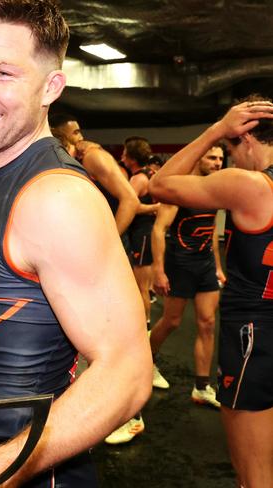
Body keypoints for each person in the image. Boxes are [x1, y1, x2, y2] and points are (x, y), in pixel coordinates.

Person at [0, 1, 152, 486]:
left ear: (51, 87)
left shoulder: (56, 198)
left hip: (26, 470)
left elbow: (128, 373)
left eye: (2, 73)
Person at [149, 95, 273, 488]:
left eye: (231, 151)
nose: (231, 160)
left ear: (246, 139)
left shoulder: (252, 185)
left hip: (253, 338)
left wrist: (217, 129)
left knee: (253, 476)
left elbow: (160, 184)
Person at [149, 145, 225, 404]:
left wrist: (216, 265)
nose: (217, 163)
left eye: (221, 159)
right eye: (212, 157)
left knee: (208, 323)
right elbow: (159, 230)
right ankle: (146, 362)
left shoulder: (215, 190)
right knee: (172, 321)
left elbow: (211, 228)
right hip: (179, 264)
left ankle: (202, 388)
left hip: (204, 265)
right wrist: (158, 271)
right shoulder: (180, 190)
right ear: (200, 158)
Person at [50, 114, 139, 236]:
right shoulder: (56, 162)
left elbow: (130, 200)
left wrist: (111, 241)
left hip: (107, 238)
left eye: (78, 132)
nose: (81, 137)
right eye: (76, 133)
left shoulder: (92, 156)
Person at [122, 136, 160, 326]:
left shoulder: (139, 178)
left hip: (141, 234)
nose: (122, 157)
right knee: (141, 286)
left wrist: (155, 208)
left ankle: (144, 326)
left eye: (124, 153)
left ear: (132, 158)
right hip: (145, 232)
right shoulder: (151, 174)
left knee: (140, 287)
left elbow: (131, 206)